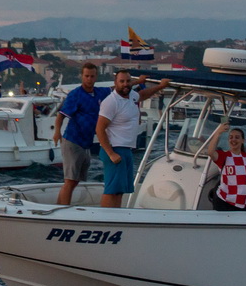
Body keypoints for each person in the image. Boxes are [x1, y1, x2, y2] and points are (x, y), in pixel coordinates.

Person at [95, 70, 171, 208]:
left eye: (128, 81)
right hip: (115, 150)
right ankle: (105, 220)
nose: (125, 84)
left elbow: (142, 95)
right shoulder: (111, 102)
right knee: (112, 191)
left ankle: (116, 218)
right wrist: (111, 153)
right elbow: (99, 129)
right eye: (122, 81)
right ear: (115, 83)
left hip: (127, 149)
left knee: (120, 191)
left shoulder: (132, 96)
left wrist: (161, 86)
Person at [52, 62, 113, 205]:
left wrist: (139, 81)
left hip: (86, 143)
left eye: (92, 76)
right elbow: (60, 115)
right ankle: (63, 210)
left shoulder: (100, 92)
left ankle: (60, 205)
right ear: (82, 76)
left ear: (96, 76)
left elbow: (116, 88)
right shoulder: (75, 95)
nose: (89, 79)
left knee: (75, 180)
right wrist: (57, 132)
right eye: (86, 76)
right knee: (70, 180)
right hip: (73, 140)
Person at [205, 123, 246, 211]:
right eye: (231, 137)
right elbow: (210, 152)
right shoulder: (224, 156)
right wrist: (218, 133)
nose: (233, 140)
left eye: (237, 137)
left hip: (241, 204)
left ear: (243, 140)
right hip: (223, 201)